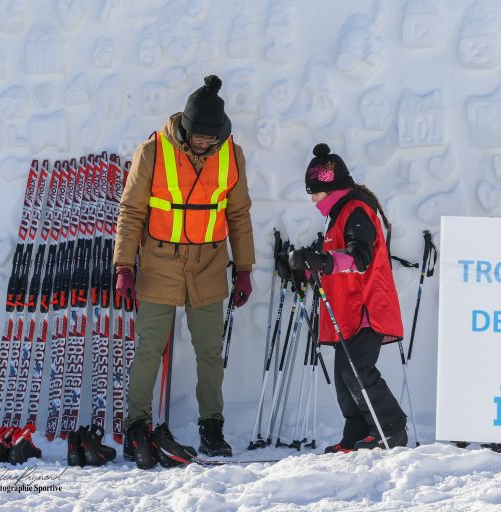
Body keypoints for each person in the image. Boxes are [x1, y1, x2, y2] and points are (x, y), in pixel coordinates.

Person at [114, 75, 255, 468]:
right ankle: (137, 426)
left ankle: (212, 427)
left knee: (210, 352)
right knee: (149, 348)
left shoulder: (232, 155)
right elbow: (131, 212)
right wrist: (124, 266)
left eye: (212, 137)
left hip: (209, 263)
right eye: (199, 136)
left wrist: (244, 269)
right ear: (186, 127)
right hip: (160, 261)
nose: (205, 143)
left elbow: (238, 214)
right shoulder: (152, 152)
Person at [284, 143, 407, 452]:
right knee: (344, 377)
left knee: (357, 370)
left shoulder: (357, 210)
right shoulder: (340, 214)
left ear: (331, 187)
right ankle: (358, 433)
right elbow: (336, 263)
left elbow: (359, 256)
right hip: (348, 311)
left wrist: (323, 261)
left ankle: (391, 428)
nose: (312, 199)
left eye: (315, 192)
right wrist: (309, 266)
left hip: (367, 307)